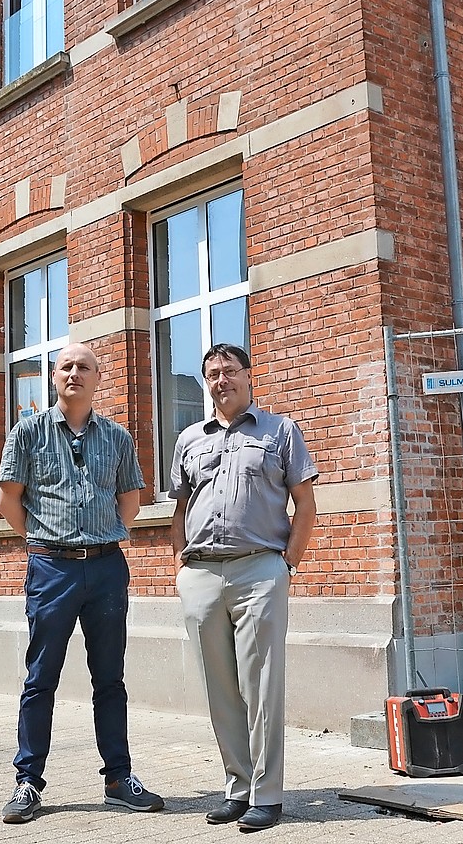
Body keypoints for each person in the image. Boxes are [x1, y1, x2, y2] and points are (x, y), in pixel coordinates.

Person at [0, 342, 164, 824]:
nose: (75, 373)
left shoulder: (117, 437)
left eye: (84, 367)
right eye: (66, 367)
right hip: (52, 568)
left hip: (107, 568)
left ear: (97, 377)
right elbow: (10, 499)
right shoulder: (27, 432)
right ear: (54, 377)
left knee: (110, 679)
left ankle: (119, 779)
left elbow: (130, 499)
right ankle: (28, 781)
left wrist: (102, 536)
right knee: (40, 677)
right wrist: (45, 541)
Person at [170, 344, 318, 832]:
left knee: (262, 688)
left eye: (229, 371)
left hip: (259, 571)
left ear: (248, 376)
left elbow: (304, 504)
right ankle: (237, 787)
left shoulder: (281, 432)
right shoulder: (190, 438)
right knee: (221, 689)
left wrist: (286, 564)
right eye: (211, 374)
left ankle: (268, 794)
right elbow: (180, 507)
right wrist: (181, 562)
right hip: (202, 575)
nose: (220, 381)